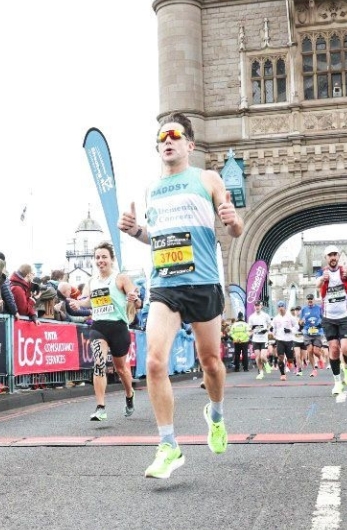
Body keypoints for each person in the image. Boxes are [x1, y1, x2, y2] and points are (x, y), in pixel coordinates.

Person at [118, 111, 243, 479]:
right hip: (165, 287)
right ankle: (169, 445)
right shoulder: (151, 190)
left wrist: (234, 220)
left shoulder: (207, 178)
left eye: (174, 135)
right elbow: (156, 238)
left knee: (211, 364)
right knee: (155, 362)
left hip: (203, 283)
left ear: (189, 144)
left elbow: (235, 229)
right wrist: (136, 231)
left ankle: (216, 415)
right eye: (161, 138)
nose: (167, 141)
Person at [74, 242, 141, 422]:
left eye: (104, 257)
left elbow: (137, 301)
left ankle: (129, 393)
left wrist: (135, 299)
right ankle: (101, 407)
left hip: (118, 326)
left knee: (121, 368)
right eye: (97, 257)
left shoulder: (121, 278)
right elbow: (89, 301)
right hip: (99, 327)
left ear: (111, 260)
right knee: (99, 363)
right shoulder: (91, 281)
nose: (100, 260)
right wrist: (78, 303)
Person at [315, 245, 347, 396]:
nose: (332, 257)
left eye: (335, 255)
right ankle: (337, 382)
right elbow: (317, 284)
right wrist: (322, 279)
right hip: (328, 317)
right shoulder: (322, 271)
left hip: (344, 316)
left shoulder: (344, 270)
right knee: (333, 349)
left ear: (338, 256)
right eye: (329, 255)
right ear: (326, 258)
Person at [271, 301, 297, 381]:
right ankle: (282, 374)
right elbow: (273, 329)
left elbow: (296, 326)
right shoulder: (276, 318)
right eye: (279, 307)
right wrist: (273, 333)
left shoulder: (290, 317)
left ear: (285, 307)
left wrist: (290, 330)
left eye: (282, 307)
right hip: (280, 340)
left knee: (290, 359)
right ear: (278, 308)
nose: (281, 308)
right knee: (280, 357)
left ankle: (292, 361)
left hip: (289, 340)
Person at [300, 293, 324, 377]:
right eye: (308, 299)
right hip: (307, 332)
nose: (310, 300)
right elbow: (300, 321)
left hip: (318, 332)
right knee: (309, 350)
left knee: (316, 351)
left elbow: (323, 318)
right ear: (306, 300)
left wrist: (321, 324)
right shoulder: (304, 309)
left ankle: (320, 358)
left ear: (314, 299)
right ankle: (314, 369)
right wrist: (301, 322)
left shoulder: (319, 308)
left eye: (311, 298)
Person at [248, 301, 272, 378]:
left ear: (261, 306)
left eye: (258, 305)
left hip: (264, 339)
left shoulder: (265, 315)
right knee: (257, 358)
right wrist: (251, 332)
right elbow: (250, 329)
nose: (257, 307)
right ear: (254, 307)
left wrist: (266, 330)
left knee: (262, 357)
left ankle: (267, 364)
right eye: (256, 306)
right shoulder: (251, 317)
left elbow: (270, 325)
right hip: (256, 339)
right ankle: (261, 373)